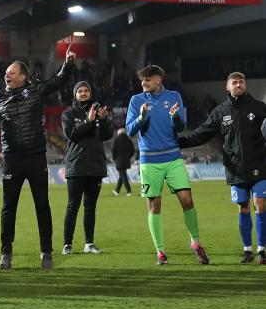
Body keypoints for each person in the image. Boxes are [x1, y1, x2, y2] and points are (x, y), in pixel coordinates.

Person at [0, 46, 76, 270]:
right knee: (8, 207)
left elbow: (58, 81)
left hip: (35, 156)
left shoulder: (36, 90)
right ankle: (6, 252)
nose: (7, 75)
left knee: (42, 205)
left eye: (11, 72)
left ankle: (46, 251)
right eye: (6, 73)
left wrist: (68, 63)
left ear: (23, 76)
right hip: (11, 159)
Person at [178, 72, 266, 264]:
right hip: (235, 169)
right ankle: (247, 251)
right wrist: (178, 142)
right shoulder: (220, 112)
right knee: (243, 207)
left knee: (260, 205)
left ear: (245, 85)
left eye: (241, 82)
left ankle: (262, 250)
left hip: (260, 166)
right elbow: (201, 134)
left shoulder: (259, 108)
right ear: (228, 87)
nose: (239, 85)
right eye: (234, 82)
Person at [126, 65, 209, 266]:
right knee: (154, 206)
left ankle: (195, 243)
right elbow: (129, 130)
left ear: (158, 79)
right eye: (142, 79)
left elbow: (181, 126)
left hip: (173, 157)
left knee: (187, 201)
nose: (143, 82)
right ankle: (160, 251)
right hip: (149, 161)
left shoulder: (174, 96)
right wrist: (141, 117)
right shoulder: (136, 100)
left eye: (147, 79)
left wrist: (175, 117)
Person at [61, 81, 112, 256]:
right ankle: (67, 244)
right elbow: (72, 134)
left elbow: (107, 135)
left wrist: (104, 120)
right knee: (72, 206)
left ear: (90, 93)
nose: (83, 93)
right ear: (75, 94)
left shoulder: (98, 111)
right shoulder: (68, 113)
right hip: (76, 166)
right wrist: (89, 121)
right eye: (80, 91)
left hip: (95, 166)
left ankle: (89, 244)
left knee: (90, 207)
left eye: (86, 91)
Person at [111, 128, 135, 196]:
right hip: (126, 160)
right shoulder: (129, 140)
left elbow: (113, 150)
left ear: (118, 133)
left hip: (119, 161)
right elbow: (133, 150)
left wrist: (114, 158)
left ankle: (129, 191)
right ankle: (117, 190)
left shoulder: (116, 140)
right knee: (122, 175)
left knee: (123, 175)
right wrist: (129, 157)